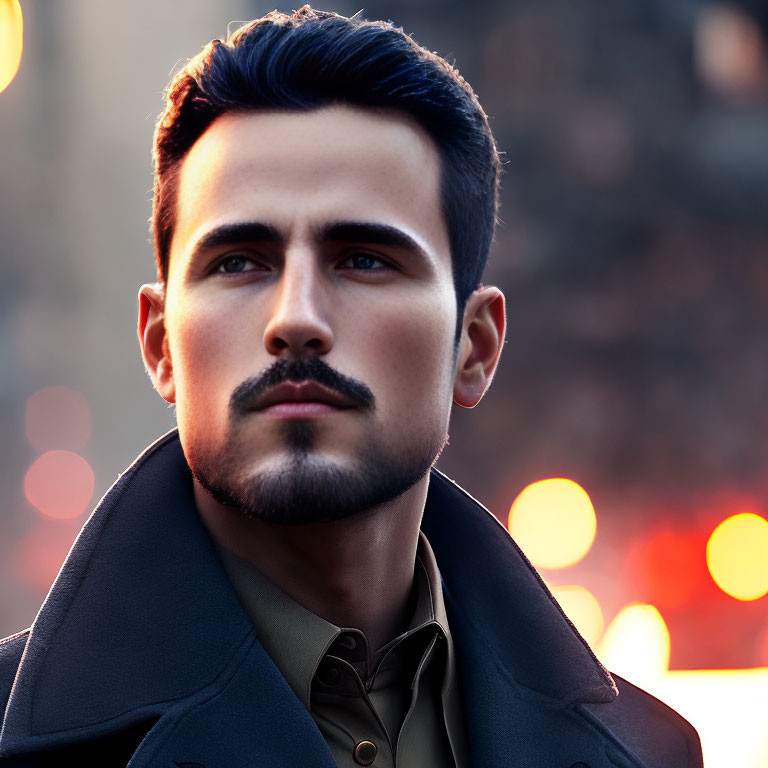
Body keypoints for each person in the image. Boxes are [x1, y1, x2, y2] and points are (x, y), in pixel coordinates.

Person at [0, 7, 702, 767]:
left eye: (363, 259)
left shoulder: (651, 753)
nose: (295, 319)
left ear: (475, 346)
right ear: (161, 342)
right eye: (239, 261)